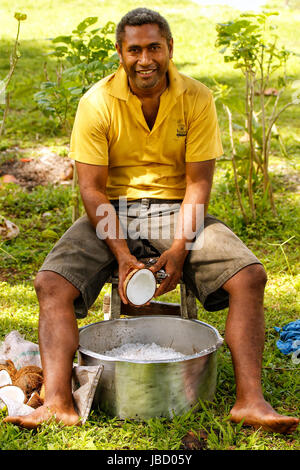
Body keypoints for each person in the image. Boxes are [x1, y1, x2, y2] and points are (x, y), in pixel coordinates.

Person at [4, 8, 298, 434]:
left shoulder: (196, 97)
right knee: (51, 282)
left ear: (170, 49)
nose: (146, 59)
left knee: (249, 276)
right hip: (112, 207)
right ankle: (58, 403)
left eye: (154, 48)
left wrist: (179, 248)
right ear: (120, 54)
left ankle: (250, 401)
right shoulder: (97, 102)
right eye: (135, 49)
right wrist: (122, 255)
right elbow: (92, 190)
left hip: (177, 208)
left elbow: (198, 183)